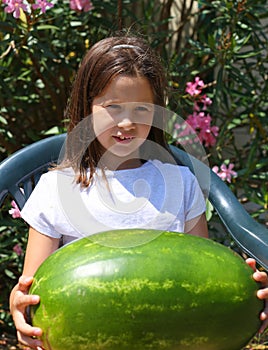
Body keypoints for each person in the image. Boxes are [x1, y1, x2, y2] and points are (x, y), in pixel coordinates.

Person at [9, 34, 268, 349]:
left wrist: (248, 295)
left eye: (142, 109)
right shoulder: (55, 189)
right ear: (86, 108)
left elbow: (205, 286)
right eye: (113, 107)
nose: (127, 122)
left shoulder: (181, 184)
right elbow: (32, 291)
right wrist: (18, 307)